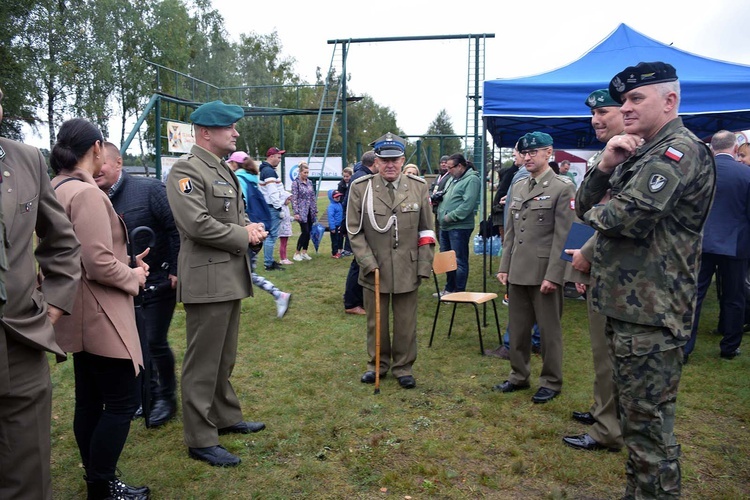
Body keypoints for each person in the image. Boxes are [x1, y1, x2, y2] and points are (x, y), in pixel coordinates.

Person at [575, 62, 716, 498]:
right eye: (624, 101)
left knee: (649, 431)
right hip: (630, 308)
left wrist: (596, 211)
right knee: (639, 426)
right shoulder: (642, 151)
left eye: (637, 99)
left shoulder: (680, 151)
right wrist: (605, 165)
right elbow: (587, 205)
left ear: (669, 101)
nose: (626, 108)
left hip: (652, 314)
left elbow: (624, 218)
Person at [50, 118, 150, 499]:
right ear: (96, 148)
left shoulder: (55, 187)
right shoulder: (87, 193)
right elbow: (96, 263)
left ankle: (98, 482)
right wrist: (134, 276)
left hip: (73, 310)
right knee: (123, 401)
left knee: (89, 399)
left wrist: (125, 260)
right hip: (101, 312)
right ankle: (102, 485)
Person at [165, 100, 268, 467]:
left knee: (223, 357)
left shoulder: (221, 169)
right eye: (230, 127)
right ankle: (200, 437)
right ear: (206, 132)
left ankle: (225, 417)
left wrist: (249, 228)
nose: (236, 133)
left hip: (226, 276)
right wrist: (244, 233)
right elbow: (198, 224)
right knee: (203, 362)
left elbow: (228, 218)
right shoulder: (185, 170)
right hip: (208, 280)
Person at [0, 88, 82, 500]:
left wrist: (52, 307)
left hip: (20, 342)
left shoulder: (24, 159)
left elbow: (63, 243)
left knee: (29, 475)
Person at [96, 141, 181, 429]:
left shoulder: (149, 189)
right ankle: (145, 396)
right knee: (134, 345)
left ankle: (166, 398)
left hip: (159, 281)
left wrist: (177, 269)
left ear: (118, 162)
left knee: (154, 341)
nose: (97, 169)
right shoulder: (93, 197)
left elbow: (175, 228)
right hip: (123, 285)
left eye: (102, 163)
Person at [562, 89, 625, 453]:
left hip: (620, 273)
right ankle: (604, 411)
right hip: (603, 267)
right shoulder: (609, 155)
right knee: (603, 352)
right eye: (593, 114)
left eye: (604, 112)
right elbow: (586, 210)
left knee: (610, 353)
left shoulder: (635, 156)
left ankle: (609, 427)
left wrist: (586, 253)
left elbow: (622, 217)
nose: (595, 120)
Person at [347, 132, 436, 389]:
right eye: (384, 160)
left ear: (402, 159)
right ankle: (377, 364)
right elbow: (354, 230)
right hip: (374, 267)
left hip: (408, 266)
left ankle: (403, 367)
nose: (390, 165)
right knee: (376, 322)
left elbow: (427, 230)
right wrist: (367, 262)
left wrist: (423, 264)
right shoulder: (361, 188)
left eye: (395, 159)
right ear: (376, 161)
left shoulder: (418, 187)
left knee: (406, 322)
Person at [494, 131, 575, 404]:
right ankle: (518, 375)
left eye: (534, 152)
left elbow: (563, 237)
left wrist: (555, 274)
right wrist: (504, 266)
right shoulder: (518, 186)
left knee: (549, 332)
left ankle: (551, 382)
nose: (527, 157)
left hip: (544, 273)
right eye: (524, 153)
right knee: (517, 329)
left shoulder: (562, 187)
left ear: (548, 153)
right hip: (518, 269)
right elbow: (511, 232)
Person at [683, 130, 750, 361]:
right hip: (736, 245)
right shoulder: (746, 173)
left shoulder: (700, 172)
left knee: (695, 295)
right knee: (734, 297)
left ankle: (684, 347)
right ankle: (729, 347)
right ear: (734, 148)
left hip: (701, 242)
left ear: (712, 148)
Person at [231, 152, 292, 319]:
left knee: (245, 272)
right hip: (258, 228)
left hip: (248, 230)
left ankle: (279, 294)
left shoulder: (238, 179)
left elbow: (239, 207)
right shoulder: (252, 179)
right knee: (243, 271)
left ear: (235, 164)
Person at [436, 153, 481, 294]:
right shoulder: (452, 178)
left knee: (459, 260)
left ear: (460, 166)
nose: (448, 170)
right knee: (447, 259)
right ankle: (449, 288)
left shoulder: (472, 180)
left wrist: (450, 217)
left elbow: (468, 205)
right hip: (445, 226)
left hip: (459, 227)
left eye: (451, 168)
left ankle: (459, 291)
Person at [343, 151, 378, 315]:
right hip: (358, 229)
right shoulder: (361, 179)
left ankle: (358, 300)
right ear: (375, 163)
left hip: (356, 227)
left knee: (359, 264)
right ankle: (351, 303)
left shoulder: (358, 175)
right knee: (358, 265)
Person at [258, 146, 286, 270]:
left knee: (270, 235)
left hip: (269, 206)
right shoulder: (268, 171)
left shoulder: (266, 170)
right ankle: (268, 263)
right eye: (278, 157)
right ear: (271, 156)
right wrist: (279, 208)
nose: (280, 160)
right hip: (272, 207)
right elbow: (273, 192)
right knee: (271, 236)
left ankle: (269, 261)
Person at [291, 162, 317, 261]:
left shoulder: (309, 182)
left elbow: (312, 196)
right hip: (302, 210)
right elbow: (294, 198)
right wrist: (296, 212)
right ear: (300, 172)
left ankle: (304, 252)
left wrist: (315, 209)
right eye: (304, 172)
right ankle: (297, 252)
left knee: (309, 231)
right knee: (305, 231)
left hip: (310, 210)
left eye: (307, 172)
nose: (306, 174)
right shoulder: (296, 183)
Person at [429, 155, 451, 241]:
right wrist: (432, 196)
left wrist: (439, 196)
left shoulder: (450, 177)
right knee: (437, 230)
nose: (443, 164)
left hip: (444, 208)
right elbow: (431, 188)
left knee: (443, 231)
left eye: (445, 163)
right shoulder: (437, 177)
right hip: (436, 209)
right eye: (442, 163)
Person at [338, 166, 354, 255]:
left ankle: (348, 248)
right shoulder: (341, 185)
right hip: (343, 209)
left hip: (350, 208)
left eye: (347, 176)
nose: (345, 178)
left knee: (349, 229)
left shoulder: (353, 184)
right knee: (341, 229)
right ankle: (339, 248)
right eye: (344, 176)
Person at [327, 189, 344, 258]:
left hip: (340, 225)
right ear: (332, 197)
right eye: (336, 196)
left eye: (339, 196)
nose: (338, 198)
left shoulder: (339, 204)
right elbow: (331, 217)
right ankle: (334, 253)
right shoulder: (331, 206)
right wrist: (332, 227)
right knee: (335, 240)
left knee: (340, 239)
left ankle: (340, 251)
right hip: (335, 226)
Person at [278, 191, 294, 264]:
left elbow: (288, 217)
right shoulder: (281, 208)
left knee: (285, 243)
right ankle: (283, 258)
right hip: (283, 228)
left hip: (286, 227)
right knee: (283, 243)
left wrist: (293, 218)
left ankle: (284, 257)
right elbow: (282, 217)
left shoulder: (286, 207)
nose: (289, 201)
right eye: (288, 199)